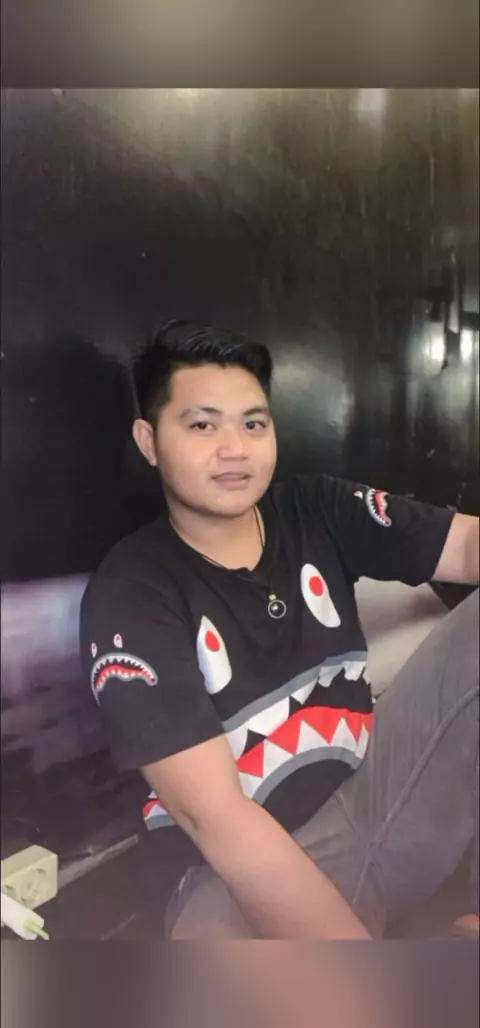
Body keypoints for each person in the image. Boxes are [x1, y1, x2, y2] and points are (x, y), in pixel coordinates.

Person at [80, 319, 479, 939]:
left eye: (253, 424)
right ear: (149, 440)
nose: (234, 449)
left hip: (375, 798)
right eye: (202, 425)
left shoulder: (316, 509)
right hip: (229, 875)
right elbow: (219, 822)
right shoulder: (131, 593)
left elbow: (469, 546)